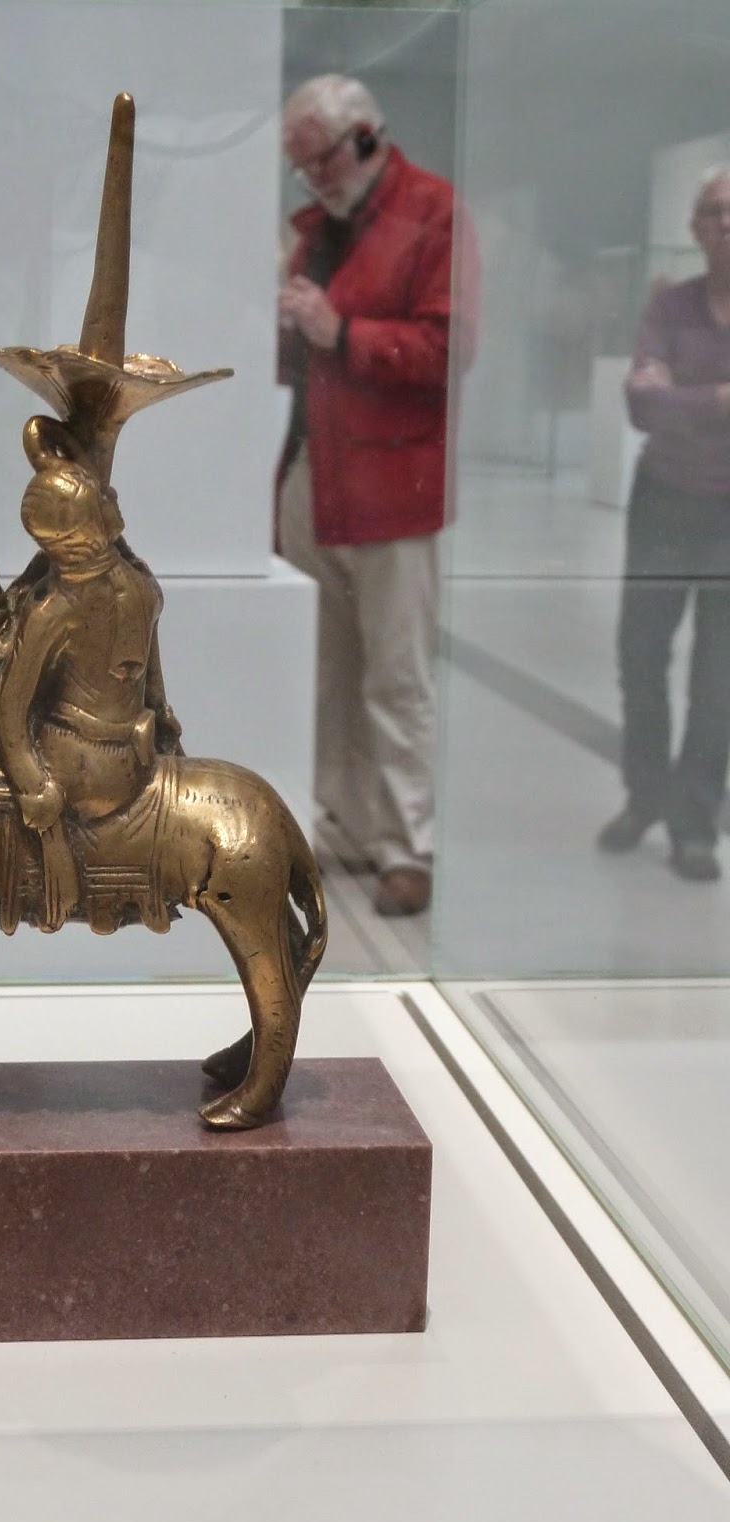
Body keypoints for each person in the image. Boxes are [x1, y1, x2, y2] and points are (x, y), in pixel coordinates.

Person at [276, 73, 478, 916]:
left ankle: (408, 844)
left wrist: (342, 332)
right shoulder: (316, 229)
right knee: (326, 671)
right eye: (301, 166)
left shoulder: (435, 212)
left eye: (321, 160)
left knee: (396, 676)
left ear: (366, 137)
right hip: (315, 473)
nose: (313, 178)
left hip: (393, 484)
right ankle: (347, 823)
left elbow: (450, 349)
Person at [0, 415, 181, 928]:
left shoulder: (53, 610)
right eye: (105, 501)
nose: (114, 505)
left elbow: (9, 713)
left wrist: (34, 788)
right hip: (139, 753)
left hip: (77, 766)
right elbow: (155, 691)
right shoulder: (142, 584)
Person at [598, 167, 730, 883]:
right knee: (641, 658)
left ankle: (695, 822)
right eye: (714, 210)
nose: (727, 223)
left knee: (719, 677)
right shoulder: (670, 305)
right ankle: (645, 796)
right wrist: (718, 401)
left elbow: (661, 399)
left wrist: (682, 395)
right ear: (695, 227)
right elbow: (642, 406)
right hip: (663, 504)